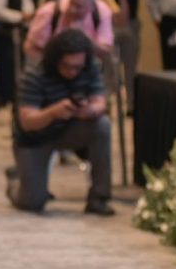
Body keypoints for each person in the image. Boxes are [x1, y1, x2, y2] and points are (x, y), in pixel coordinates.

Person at [7, 28, 113, 215]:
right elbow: (27, 122)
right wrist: (54, 112)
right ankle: (16, 182)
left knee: (102, 124)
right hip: (35, 137)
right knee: (32, 202)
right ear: (55, 60)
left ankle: (99, 197)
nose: (72, 72)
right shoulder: (34, 74)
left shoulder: (90, 67)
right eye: (66, 66)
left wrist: (88, 110)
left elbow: (100, 103)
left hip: (70, 129)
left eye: (77, 67)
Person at [99, 0, 148, 114]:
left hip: (130, 24)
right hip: (109, 24)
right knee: (108, 67)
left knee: (130, 66)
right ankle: (106, 103)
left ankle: (132, 105)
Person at [24, 0, 113, 61]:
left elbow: (105, 50)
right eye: (71, 2)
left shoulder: (101, 12)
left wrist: (82, 38)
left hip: (86, 66)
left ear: (91, 7)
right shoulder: (49, 12)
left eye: (79, 6)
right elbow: (32, 48)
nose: (72, 9)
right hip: (49, 64)